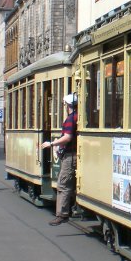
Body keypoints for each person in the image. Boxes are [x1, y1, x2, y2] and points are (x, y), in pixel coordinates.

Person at [41, 93, 78, 226]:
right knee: (70, 184)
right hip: (72, 154)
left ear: (67, 105)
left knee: (63, 184)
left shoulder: (70, 119)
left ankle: (62, 214)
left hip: (70, 156)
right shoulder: (77, 117)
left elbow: (67, 137)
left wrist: (52, 143)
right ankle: (73, 207)